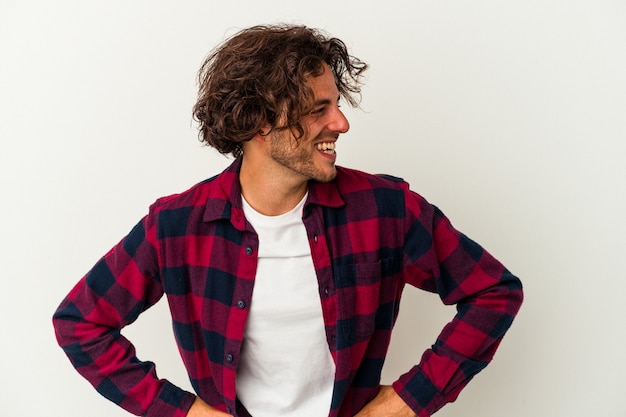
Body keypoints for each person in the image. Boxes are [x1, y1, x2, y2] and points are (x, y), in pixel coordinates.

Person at [53, 24, 523, 417]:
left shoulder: (384, 209)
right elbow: (80, 323)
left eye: (336, 104)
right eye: (319, 109)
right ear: (258, 122)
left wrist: (404, 403)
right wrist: (185, 413)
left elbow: (493, 292)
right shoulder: (177, 226)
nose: (341, 123)